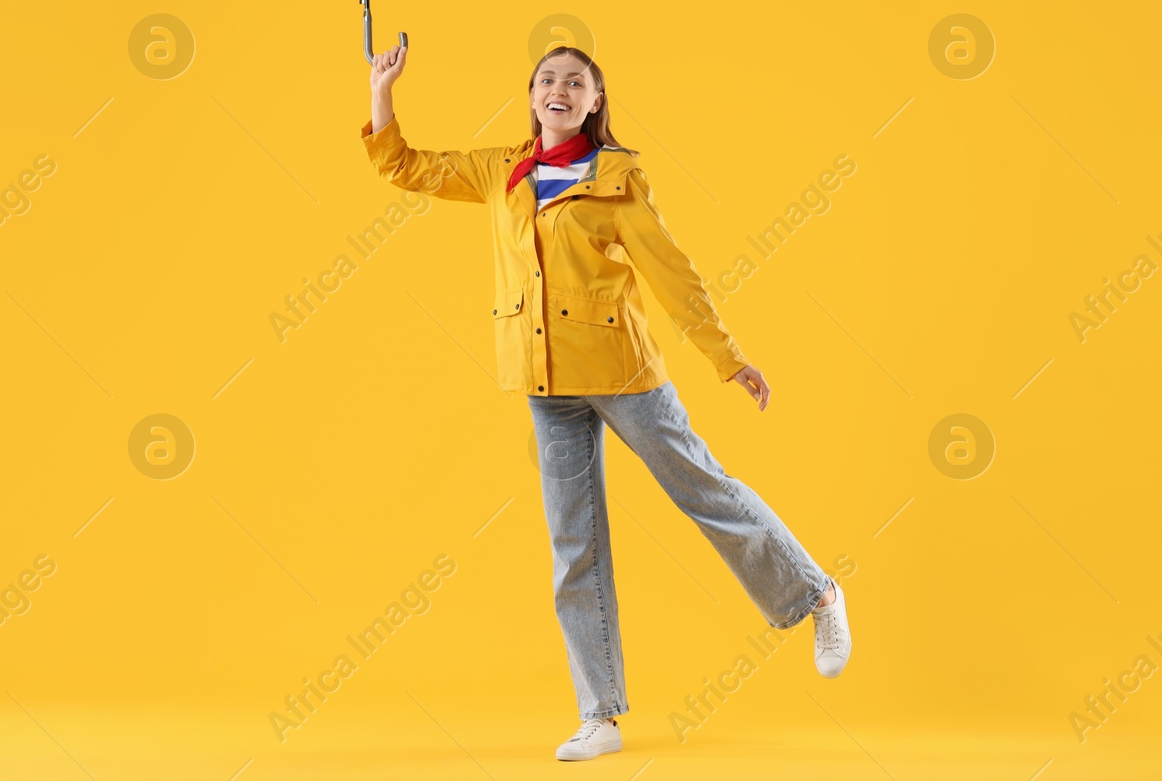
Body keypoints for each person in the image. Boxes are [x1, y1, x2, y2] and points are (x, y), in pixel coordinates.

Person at [360, 42, 852, 762]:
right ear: (531, 96)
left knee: (704, 490)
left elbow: (670, 271)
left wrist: (727, 357)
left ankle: (817, 596)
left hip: (624, 373)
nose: (559, 89)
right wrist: (382, 90)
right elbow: (405, 166)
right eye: (547, 79)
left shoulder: (617, 177)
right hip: (544, 379)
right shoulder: (501, 170)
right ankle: (600, 714)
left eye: (575, 82)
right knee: (573, 544)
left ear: (594, 103)